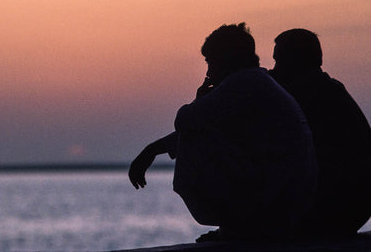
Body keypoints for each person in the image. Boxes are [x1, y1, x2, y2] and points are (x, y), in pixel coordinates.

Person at [129, 23, 317, 241]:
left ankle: (237, 226)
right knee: (207, 130)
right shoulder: (257, 82)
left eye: (211, 63)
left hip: (278, 205)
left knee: (196, 135)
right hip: (287, 201)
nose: (209, 72)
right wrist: (152, 150)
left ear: (226, 60)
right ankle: (236, 226)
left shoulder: (242, 83)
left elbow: (186, 121)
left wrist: (199, 100)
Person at [269, 28, 371, 237]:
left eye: (280, 62)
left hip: (342, 202)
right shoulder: (327, 89)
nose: (275, 70)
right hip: (355, 200)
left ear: (299, 62)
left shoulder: (312, 95)